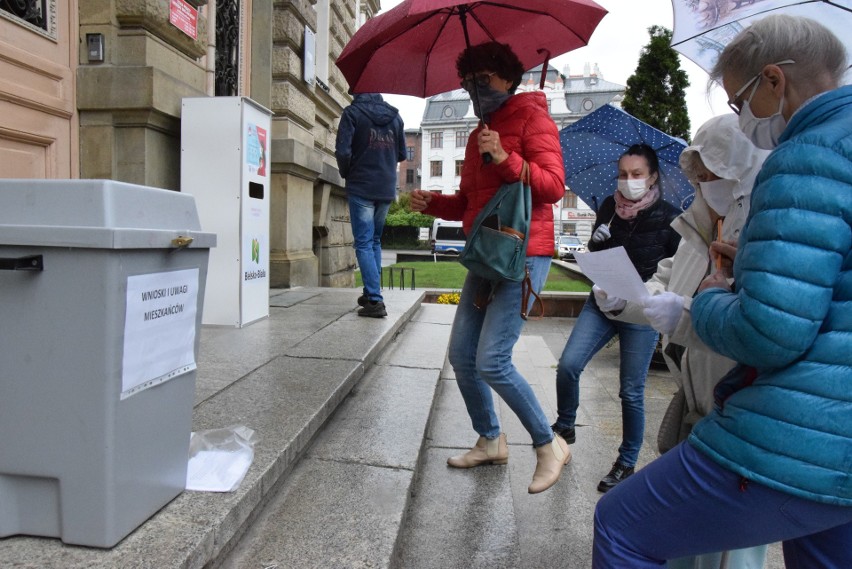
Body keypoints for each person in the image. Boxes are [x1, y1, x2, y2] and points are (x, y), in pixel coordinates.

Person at [593, 15, 852, 567]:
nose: (744, 119)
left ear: (774, 81)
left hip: (800, 431)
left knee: (622, 526)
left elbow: (772, 331)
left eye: (740, 102)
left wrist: (711, 297)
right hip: (836, 430)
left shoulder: (805, 156)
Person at [595, 114, 771, 569]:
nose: (705, 181)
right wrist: (622, 300)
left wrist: (685, 315)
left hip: (741, 423)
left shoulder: (762, 229)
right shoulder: (696, 230)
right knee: (684, 548)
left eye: (715, 172)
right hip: (701, 416)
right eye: (699, 172)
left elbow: (756, 327)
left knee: (725, 555)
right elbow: (663, 284)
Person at [408, 41, 568, 494]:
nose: (474, 86)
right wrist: (433, 203)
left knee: (492, 360)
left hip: (523, 253)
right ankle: (491, 439)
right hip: (486, 253)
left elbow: (553, 187)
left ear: (508, 78)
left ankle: (547, 444)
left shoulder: (533, 117)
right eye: (468, 79)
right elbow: (473, 203)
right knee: (462, 353)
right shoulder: (484, 126)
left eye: (484, 78)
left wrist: (506, 158)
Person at [552, 143, 681, 493]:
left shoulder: (671, 218)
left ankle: (626, 462)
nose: (628, 181)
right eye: (623, 174)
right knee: (568, 364)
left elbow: (676, 274)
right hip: (603, 301)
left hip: (639, 312)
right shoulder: (610, 207)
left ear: (652, 176)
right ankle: (566, 425)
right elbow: (599, 254)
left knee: (631, 392)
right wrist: (595, 243)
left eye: (637, 175)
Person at [335, 92, 406, 318]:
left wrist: (348, 173)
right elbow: (402, 154)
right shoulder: (396, 118)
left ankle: (375, 300)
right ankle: (370, 292)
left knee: (364, 243)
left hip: (362, 185)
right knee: (374, 241)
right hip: (385, 187)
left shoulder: (352, 113)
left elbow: (343, 151)